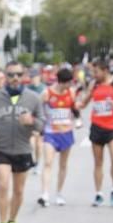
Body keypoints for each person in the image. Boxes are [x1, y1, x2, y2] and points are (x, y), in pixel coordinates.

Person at [0, 61, 45, 223]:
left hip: (23, 148)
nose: (14, 78)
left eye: (18, 74)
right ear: (5, 77)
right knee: (3, 185)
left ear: (23, 76)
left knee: (18, 190)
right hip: (1, 148)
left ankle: (12, 221)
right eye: (10, 75)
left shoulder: (33, 98)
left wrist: (31, 121)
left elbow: (42, 123)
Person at [76, 58, 113, 207]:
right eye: (92, 71)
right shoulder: (93, 84)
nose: (93, 74)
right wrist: (76, 103)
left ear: (105, 70)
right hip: (97, 127)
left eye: (96, 72)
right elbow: (84, 103)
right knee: (98, 162)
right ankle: (98, 194)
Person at [37, 67, 78, 206]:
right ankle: (45, 194)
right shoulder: (46, 93)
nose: (70, 86)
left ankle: (59, 193)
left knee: (63, 164)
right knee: (48, 162)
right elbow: (37, 108)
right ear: (61, 82)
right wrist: (40, 124)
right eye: (68, 83)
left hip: (66, 132)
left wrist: (77, 120)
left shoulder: (71, 93)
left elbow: (75, 108)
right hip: (50, 132)